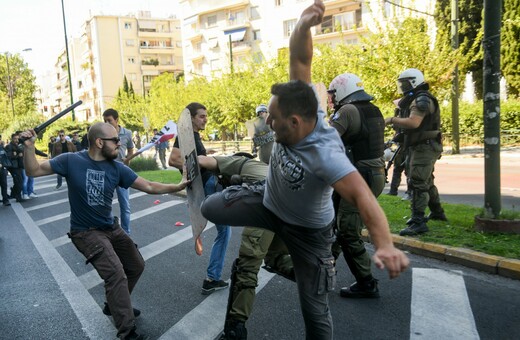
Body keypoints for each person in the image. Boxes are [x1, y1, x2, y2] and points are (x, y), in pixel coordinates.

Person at [201, 2, 409, 339]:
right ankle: (254, 196)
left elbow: (361, 197)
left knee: (315, 311)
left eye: (272, 118)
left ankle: (315, 269)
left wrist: (385, 245)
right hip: (269, 202)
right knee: (210, 207)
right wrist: (301, 26)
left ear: (295, 122)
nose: (267, 122)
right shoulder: (299, 101)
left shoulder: (326, 153)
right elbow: (300, 59)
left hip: (308, 232)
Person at [20, 122, 189, 340]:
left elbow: (148, 186)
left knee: (135, 265)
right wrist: (29, 147)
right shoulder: (71, 161)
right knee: (115, 273)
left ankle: (114, 304)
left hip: (110, 227)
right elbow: (32, 170)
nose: (120, 144)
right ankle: (127, 331)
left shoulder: (117, 167)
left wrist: (176, 186)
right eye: (115, 141)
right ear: (100, 142)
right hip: (86, 232)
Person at [198, 153, 294, 339]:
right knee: (276, 258)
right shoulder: (264, 167)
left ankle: (235, 330)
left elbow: (201, 160)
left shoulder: (238, 163)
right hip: (290, 208)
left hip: (267, 206)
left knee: (246, 268)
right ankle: (314, 275)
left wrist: (187, 168)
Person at [327, 73, 386, 299]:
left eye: (333, 94)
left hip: (360, 178)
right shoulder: (372, 109)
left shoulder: (348, 111)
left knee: (347, 231)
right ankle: (325, 266)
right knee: (338, 224)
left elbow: (326, 140)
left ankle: (366, 282)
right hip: (372, 176)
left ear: (343, 90)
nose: (331, 99)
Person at [169, 102, 232, 295]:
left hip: (208, 186)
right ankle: (212, 278)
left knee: (225, 231)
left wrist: (206, 156)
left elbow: (192, 158)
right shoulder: (186, 135)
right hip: (208, 186)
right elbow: (172, 160)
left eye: (206, 116)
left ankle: (212, 277)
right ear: (192, 119)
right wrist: (198, 161)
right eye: (202, 116)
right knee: (224, 232)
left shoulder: (193, 137)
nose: (205, 119)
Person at [384, 68, 447, 236]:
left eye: (405, 83)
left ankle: (418, 221)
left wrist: (391, 120)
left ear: (413, 82)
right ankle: (437, 212)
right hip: (419, 145)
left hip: (424, 146)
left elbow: (414, 123)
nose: (402, 86)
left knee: (417, 182)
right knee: (427, 180)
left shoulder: (421, 99)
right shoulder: (413, 99)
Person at [103, 108, 135, 234]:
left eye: (109, 120)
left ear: (116, 120)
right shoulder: (103, 134)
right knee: (105, 206)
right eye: (105, 121)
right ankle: (109, 233)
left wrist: (128, 159)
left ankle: (126, 233)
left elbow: (131, 149)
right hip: (107, 173)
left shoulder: (127, 133)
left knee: (125, 206)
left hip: (122, 172)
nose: (107, 123)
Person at [4, 133, 25, 202]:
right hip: (13, 167)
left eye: (17, 139)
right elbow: (9, 157)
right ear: (12, 139)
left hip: (18, 167)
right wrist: (17, 155)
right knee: (19, 182)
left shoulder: (17, 145)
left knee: (18, 181)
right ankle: (18, 197)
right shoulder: (9, 146)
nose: (16, 140)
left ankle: (13, 193)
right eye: (15, 139)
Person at [0, 136, 11, 206]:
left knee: (4, 185)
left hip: (2, 169)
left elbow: (5, 157)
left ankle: (5, 200)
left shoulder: (2, 147)